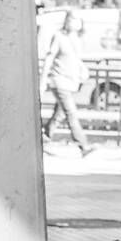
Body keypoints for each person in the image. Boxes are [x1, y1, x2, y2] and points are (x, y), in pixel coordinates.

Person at [40, 11, 95, 157]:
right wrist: (43, 80)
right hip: (58, 80)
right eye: (71, 19)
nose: (73, 22)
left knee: (59, 114)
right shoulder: (59, 37)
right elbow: (49, 58)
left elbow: (75, 59)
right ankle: (83, 145)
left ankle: (44, 140)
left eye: (77, 20)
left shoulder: (77, 39)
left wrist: (82, 69)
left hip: (71, 81)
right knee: (71, 112)